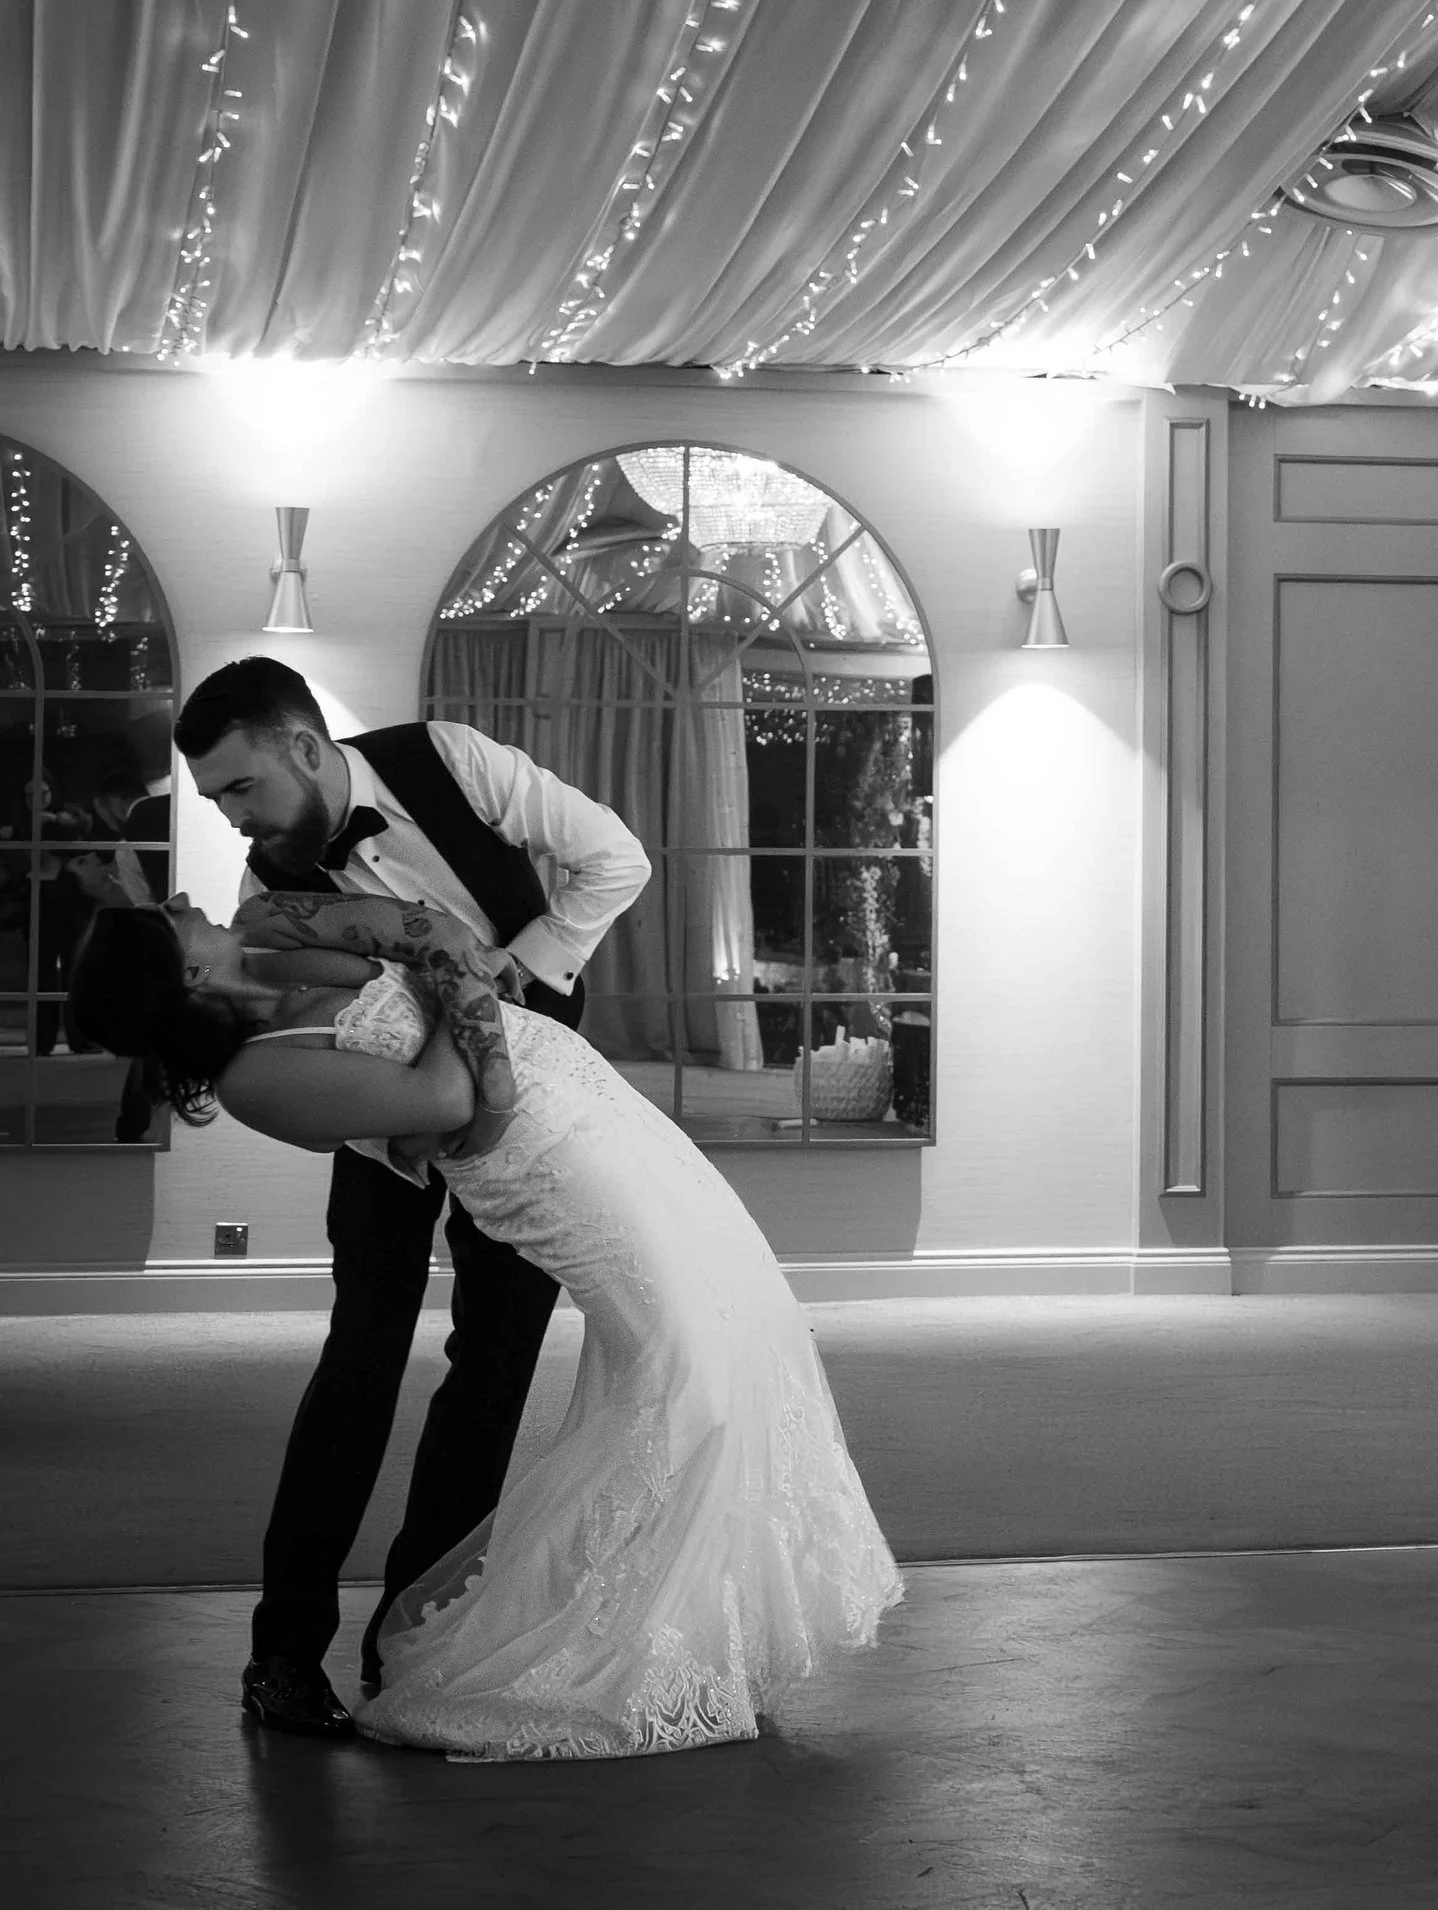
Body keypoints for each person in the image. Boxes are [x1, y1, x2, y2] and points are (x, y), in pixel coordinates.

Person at [68, 900, 901, 1757]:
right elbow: (443, 1088)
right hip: (544, 1161)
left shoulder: (270, 943)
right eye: (167, 923)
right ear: (187, 975)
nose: (182, 902)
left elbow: (432, 933)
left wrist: (451, 976)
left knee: (737, 1304)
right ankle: (631, 1641)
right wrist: (456, 986)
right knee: (686, 1361)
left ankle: (714, 1637)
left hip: (580, 1094)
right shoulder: (254, 1078)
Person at [172, 658, 655, 1739]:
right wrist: (410, 1118)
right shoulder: (265, 893)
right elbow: (303, 1042)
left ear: (303, 747)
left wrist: (527, 966)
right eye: (215, 801)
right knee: (361, 1355)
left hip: (530, 1112)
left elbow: (613, 857)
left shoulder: (451, 760)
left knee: (493, 1366)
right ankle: (281, 1657)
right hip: (384, 1120)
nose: (234, 819)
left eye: (241, 789)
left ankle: (417, 1637)